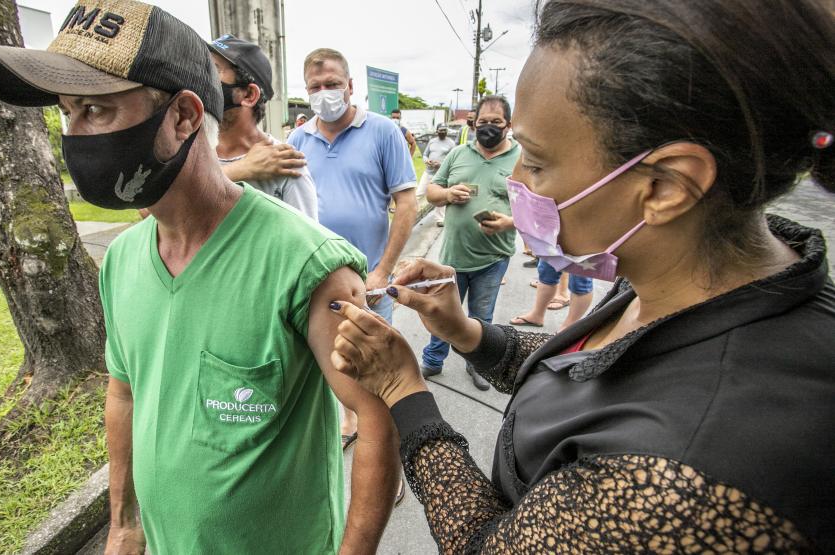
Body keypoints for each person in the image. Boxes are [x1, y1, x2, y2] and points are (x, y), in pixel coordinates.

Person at [328, 0, 835, 552]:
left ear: (666, 188)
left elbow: (486, 545)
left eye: (538, 163)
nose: (516, 177)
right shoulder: (687, 276)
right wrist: (467, 332)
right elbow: (589, 369)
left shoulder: (684, 479)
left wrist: (404, 389)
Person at [0, 2, 399, 552]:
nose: (74, 137)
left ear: (184, 116)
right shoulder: (123, 261)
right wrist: (124, 523)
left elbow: (375, 415)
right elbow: (125, 393)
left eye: (96, 111)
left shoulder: (307, 265)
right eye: (67, 113)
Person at [288, 47, 418, 450]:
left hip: (370, 279)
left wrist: (382, 270)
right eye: (315, 87)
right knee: (333, 362)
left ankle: (388, 458)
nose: (324, 92)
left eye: (331, 84)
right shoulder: (297, 138)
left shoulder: (382, 131)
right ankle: (349, 421)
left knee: (378, 368)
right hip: (316, 282)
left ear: (350, 86)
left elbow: (407, 204)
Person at [421, 95, 520, 390]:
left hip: (493, 258)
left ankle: (478, 364)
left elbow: (535, 208)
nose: (488, 128)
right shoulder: (458, 154)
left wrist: (508, 222)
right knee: (441, 312)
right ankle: (433, 360)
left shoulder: (521, 160)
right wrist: (449, 194)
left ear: (508, 125)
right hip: (453, 256)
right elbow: (432, 191)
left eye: (496, 123)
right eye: (483, 122)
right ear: (474, 123)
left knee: (481, 317)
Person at [208, 34, 318, 219]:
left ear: (249, 95)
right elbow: (151, 211)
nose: (202, 79)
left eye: (214, 70)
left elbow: (305, 244)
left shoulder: (285, 165)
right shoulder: (189, 149)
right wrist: (238, 170)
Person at [509, 259, 594, 331]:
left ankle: (569, 327)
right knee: (546, 272)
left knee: (580, 281)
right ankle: (537, 315)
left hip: (586, 244)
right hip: (556, 241)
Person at [418, 124, 456, 226]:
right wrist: (427, 161)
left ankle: (440, 219)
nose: (442, 132)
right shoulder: (432, 141)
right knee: (419, 193)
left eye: (444, 130)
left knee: (440, 196)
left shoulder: (451, 143)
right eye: (440, 130)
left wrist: (441, 165)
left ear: (447, 131)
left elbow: (453, 160)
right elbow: (425, 154)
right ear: (437, 131)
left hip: (441, 174)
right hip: (428, 172)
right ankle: (411, 212)